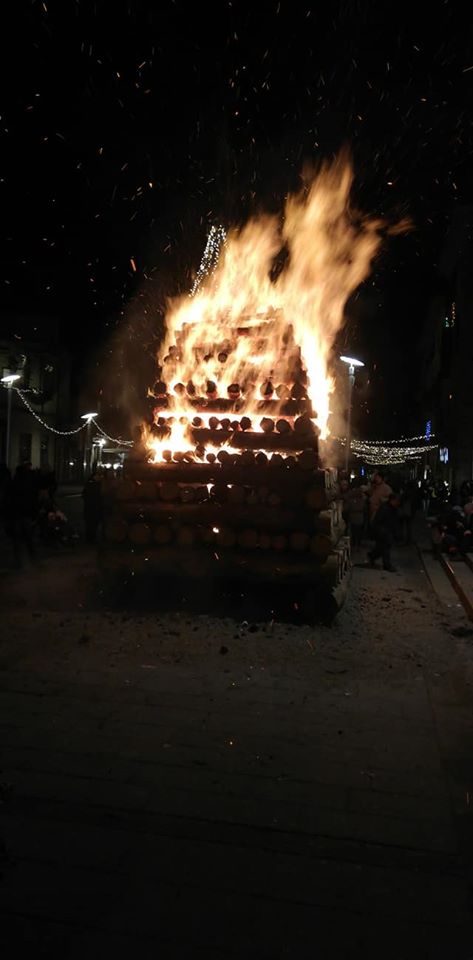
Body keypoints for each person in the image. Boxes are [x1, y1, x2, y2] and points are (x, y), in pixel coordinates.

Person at [367, 492, 401, 572]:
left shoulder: (393, 508)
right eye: (396, 501)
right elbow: (378, 520)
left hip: (388, 531)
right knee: (386, 549)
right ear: (392, 500)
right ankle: (387, 565)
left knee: (381, 548)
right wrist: (380, 531)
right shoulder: (385, 508)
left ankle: (372, 556)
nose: (398, 503)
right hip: (383, 532)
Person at [344, 479, 366, 548]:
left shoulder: (351, 494)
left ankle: (354, 544)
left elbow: (347, 505)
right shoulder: (362, 496)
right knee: (358, 531)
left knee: (354, 531)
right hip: (359, 515)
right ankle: (358, 544)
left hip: (354, 515)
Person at [82, 470, 103, 543]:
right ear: (94, 476)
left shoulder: (100, 484)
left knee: (94, 524)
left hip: (96, 508)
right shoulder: (90, 484)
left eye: (100, 476)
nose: (99, 477)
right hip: (91, 507)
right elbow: (85, 495)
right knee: (90, 524)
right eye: (97, 476)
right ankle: (89, 538)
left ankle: (92, 538)